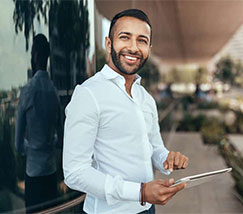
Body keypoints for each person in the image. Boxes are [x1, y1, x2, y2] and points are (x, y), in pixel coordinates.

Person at [63, 9, 189, 213]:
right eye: (124, 37)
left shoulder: (146, 98)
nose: (133, 47)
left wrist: (167, 158)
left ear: (149, 48)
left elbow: (154, 148)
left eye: (141, 40)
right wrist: (139, 192)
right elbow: (75, 173)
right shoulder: (88, 94)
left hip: (148, 209)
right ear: (108, 43)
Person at [15, 34, 63, 213]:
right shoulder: (54, 93)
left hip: (34, 174)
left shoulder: (27, 92)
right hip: (50, 173)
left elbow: (18, 145)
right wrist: (48, 143)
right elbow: (60, 139)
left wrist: (34, 147)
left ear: (34, 56)